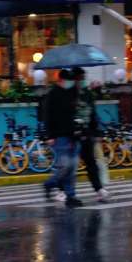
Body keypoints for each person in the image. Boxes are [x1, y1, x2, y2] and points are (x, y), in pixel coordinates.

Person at [42, 69, 83, 208]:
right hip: (59, 136)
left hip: (73, 135)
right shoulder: (52, 94)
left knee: (72, 167)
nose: (70, 83)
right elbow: (48, 116)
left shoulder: (73, 93)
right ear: (60, 80)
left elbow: (77, 111)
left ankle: (70, 195)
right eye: (68, 80)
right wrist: (50, 135)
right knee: (65, 166)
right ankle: (51, 184)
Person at [71, 67, 112, 203]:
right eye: (80, 78)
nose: (82, 80)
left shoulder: (88, 94)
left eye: (83, 78)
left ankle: (98, 189)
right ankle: (63, 189)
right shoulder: (68, 94)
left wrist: (96, 132)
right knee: (70, 164)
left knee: (91, 163)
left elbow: (93, 114)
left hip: (87, 133)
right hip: (72, 134)